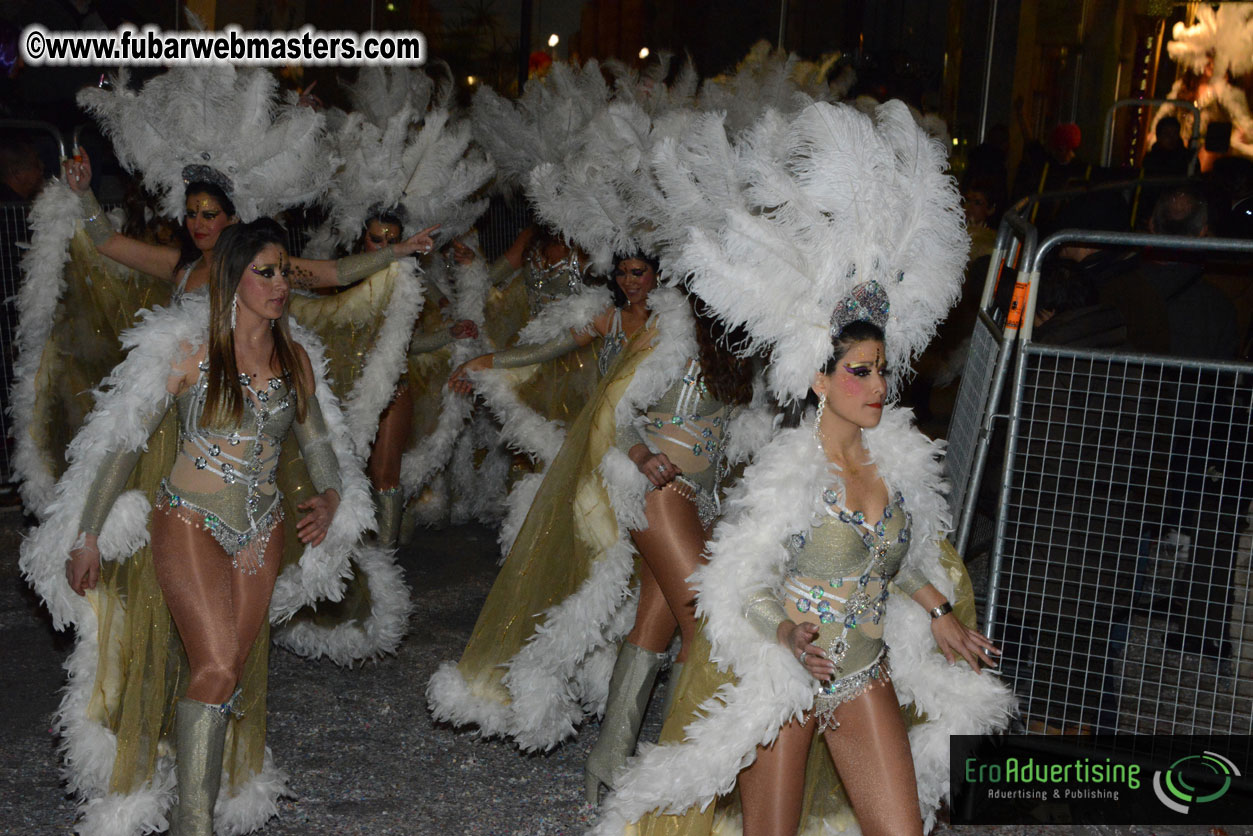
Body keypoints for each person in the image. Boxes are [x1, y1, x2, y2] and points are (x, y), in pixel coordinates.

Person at [22, 219, 372, 836]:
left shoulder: (297, 363)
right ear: (233, 278)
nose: (279, 283)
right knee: (213, 665)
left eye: (284, 270)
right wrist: (87, 535)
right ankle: (194, 825)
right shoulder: (188, 352)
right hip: (188, 522)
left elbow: (319, 443)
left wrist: (333, 494)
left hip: (263, 531)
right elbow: (122, 441)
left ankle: (193, 800)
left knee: (226, 672)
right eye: (264, 272)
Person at [428, 260, 764, 760]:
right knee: (705, 626)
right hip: (663, 493)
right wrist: (642, 455)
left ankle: (608, 762)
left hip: (707, 500)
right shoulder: (664, 333)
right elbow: (612, 409)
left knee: (654, 629)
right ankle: (684, 767)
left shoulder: (737, 352)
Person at [62, 148, 438, 302]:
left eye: (209, 215)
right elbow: (108, 242)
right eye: (192, 214)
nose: (198, 224)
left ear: (233, 218)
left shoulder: (258, 266)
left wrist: (398, 250)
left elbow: (335, 273)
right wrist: (83, 193)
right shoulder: (181, 265)